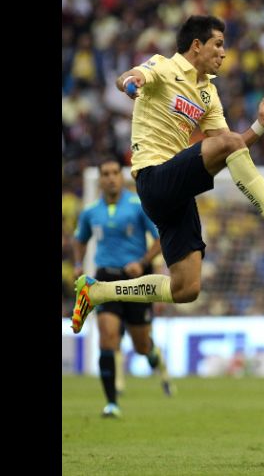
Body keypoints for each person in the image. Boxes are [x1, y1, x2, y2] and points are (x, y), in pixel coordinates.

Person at [70, 15, 264, 332]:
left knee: (186, 288)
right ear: (197, 45)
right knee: (225, 143)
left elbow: (233, 148)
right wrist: (130, 84)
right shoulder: (164, 67)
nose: (224, 53)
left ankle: (97, 292)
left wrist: (260, 126)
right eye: (218, 44)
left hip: (176, 191)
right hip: (153, 177)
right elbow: (127, 77)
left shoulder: (208, 93)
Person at [73, 159, 171, 418]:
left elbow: (161, 238)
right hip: (105, 279)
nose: (110, 178)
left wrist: (143, 262)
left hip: (136, 280)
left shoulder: (138, 206)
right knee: (108, 337)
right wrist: (78, 264)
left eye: (115, 173)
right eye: (105, 174)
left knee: (140, 345)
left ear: (121, 177)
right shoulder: (90, 212)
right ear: (100, 179)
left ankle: (151, 352)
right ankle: (112, 403)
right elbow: (79, 240)